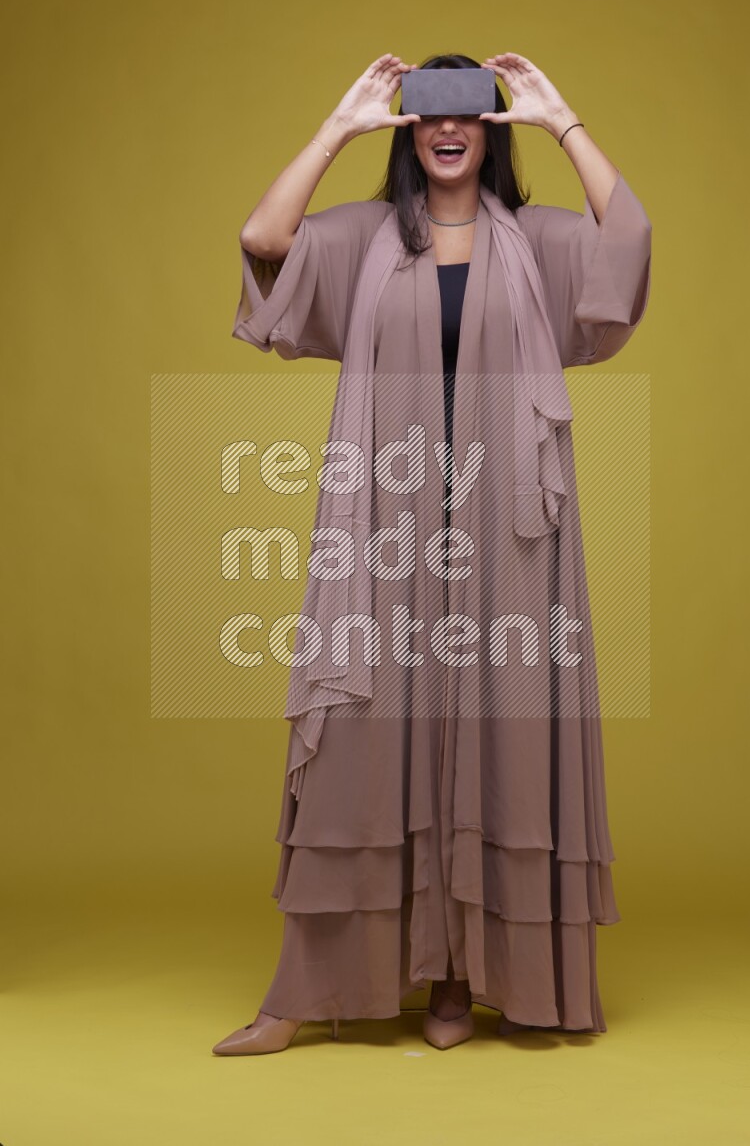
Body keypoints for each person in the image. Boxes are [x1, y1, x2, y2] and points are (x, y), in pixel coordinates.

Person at [212, 51, 652, 1055]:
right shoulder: (364, 238)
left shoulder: (538, 242)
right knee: (362, 735)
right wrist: (339, 126)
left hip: (511, 523)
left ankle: (463, 980)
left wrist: (557, 115)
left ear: (490, 134)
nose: (447, 131)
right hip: (387, 512)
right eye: (427, 116)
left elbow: (626, 241)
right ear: (409, 133)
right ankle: (302, 993)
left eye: (468, 116)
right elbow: (263, 241)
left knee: (502, 740)